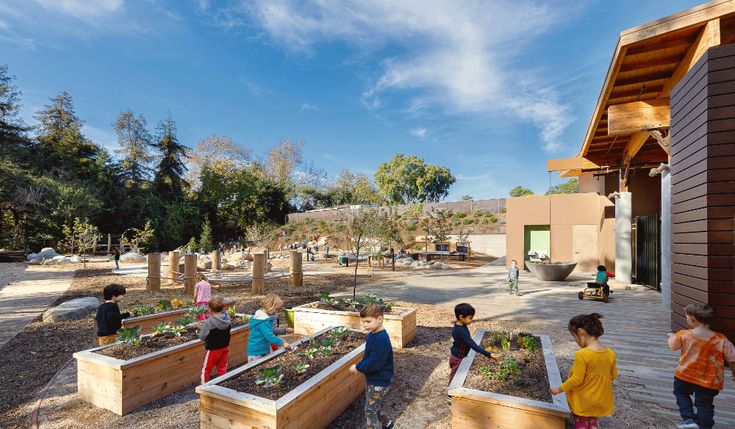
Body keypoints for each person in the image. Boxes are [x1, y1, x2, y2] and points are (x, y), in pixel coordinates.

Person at [668, 303, 735, 429]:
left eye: (687, 317)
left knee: (680, 393)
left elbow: (673, 346)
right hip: (709, 380)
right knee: (705, 405)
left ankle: (688, 419)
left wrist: (671, 337)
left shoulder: (684, 334)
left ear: (693, 320)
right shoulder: (721, 339)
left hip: (685, 375)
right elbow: (732, 358)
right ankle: (704, 426)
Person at [550, 313, 617, 429]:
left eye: (574, 337)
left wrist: (559, 389)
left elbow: (576, 379)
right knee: (593, 424)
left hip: (583, 401)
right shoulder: (610, 353)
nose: (575, 341)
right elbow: (613, 375)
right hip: (599, 400)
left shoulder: (582, 355)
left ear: (580, 332)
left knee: (581, 425)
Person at [349, 303, 395, 429]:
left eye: (368, 321)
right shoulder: (373, 335)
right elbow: (369, 356)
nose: (364, 325)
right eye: (363, 322)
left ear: (380, 319)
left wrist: (358, 367)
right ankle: (388, 424)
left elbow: (375, 362)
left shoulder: (381, 339)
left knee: (370, 410)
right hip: (374, 379)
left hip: (379, 381)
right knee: (374, 406)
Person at [450, 303, 499, 385]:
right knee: (455, 375)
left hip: (458, 354)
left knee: (457, 373)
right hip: (457, 357)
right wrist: (488, 354)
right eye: (470, 318)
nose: (471, 320)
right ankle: (451, 392)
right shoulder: (461, 330)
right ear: (461, 317)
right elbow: (473, 345)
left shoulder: (459, 324)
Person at [248, 294, 291, 361]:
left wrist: (285, 330)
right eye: (275, 309)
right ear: (270, 306)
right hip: (257, 352)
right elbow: (269, 335)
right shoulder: (263, 321)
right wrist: (282, 343)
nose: (276, 312)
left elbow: (271, 330)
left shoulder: (262, 317)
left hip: (264, 348)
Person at [199, 297, 231, 383]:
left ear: (210, 309)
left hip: (213, 349)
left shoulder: (209, 322)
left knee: (206, 369)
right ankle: (224, 384)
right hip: (225, 347)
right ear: (223, 307)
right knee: (222, 367)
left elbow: (202, 337)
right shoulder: (227, 318)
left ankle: (204, 387)